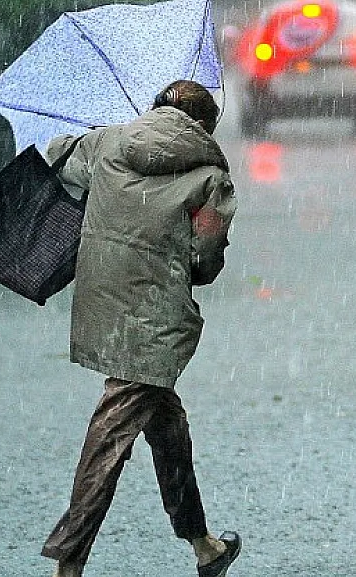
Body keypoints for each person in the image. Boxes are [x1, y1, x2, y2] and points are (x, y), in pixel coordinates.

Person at [40, 80, 241, 577]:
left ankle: (204, 546)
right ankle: (68, 563)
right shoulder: (210, 174)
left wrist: (108, 132)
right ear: (206, 125)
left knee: (167, 425)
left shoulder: (108, 142)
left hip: (103, 303)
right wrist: (194, 267)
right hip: (155, 319)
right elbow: (208, 255)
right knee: (107, 441)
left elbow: (56, 152)